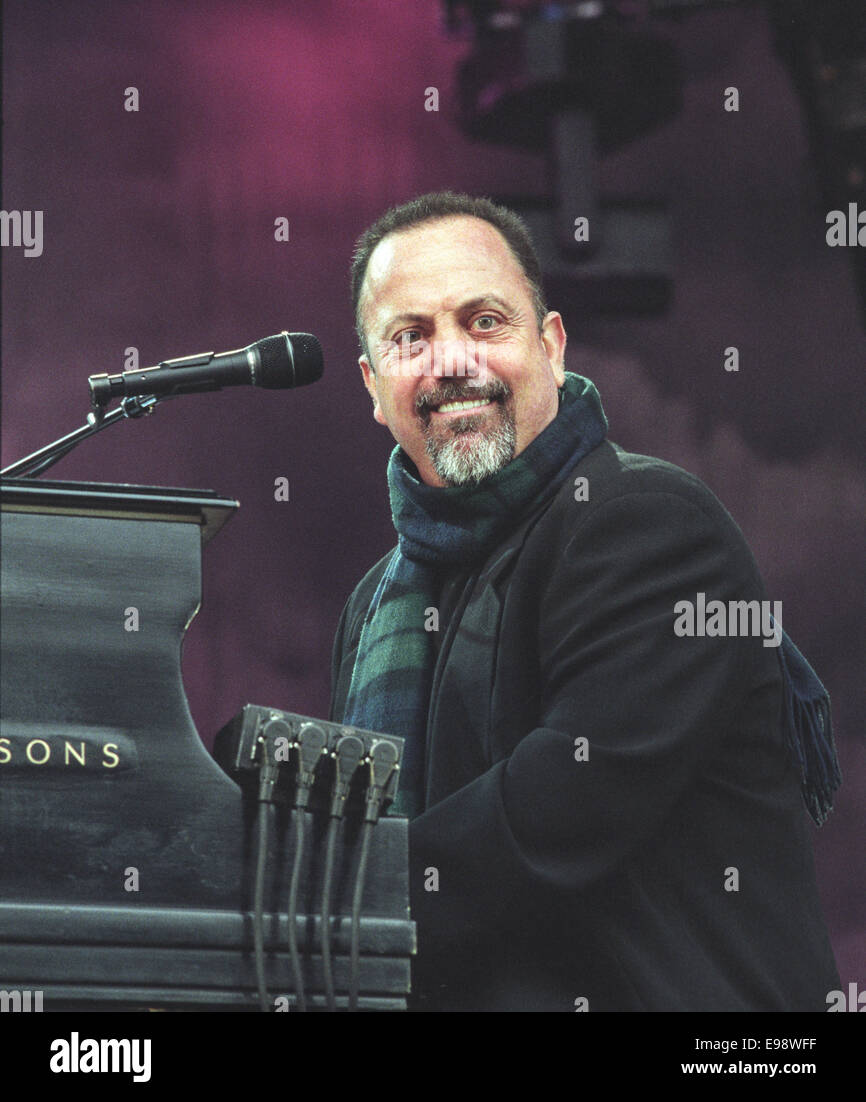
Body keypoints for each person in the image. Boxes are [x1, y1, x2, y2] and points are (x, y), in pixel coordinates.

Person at [329, 190, 841, 1012]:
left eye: (485, 321)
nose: (451, 359)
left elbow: (553, 819)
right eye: (410, 337)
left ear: (552, 345)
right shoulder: (371, 606)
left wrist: (304, 895)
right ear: (373, 385)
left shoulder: (648, 526)